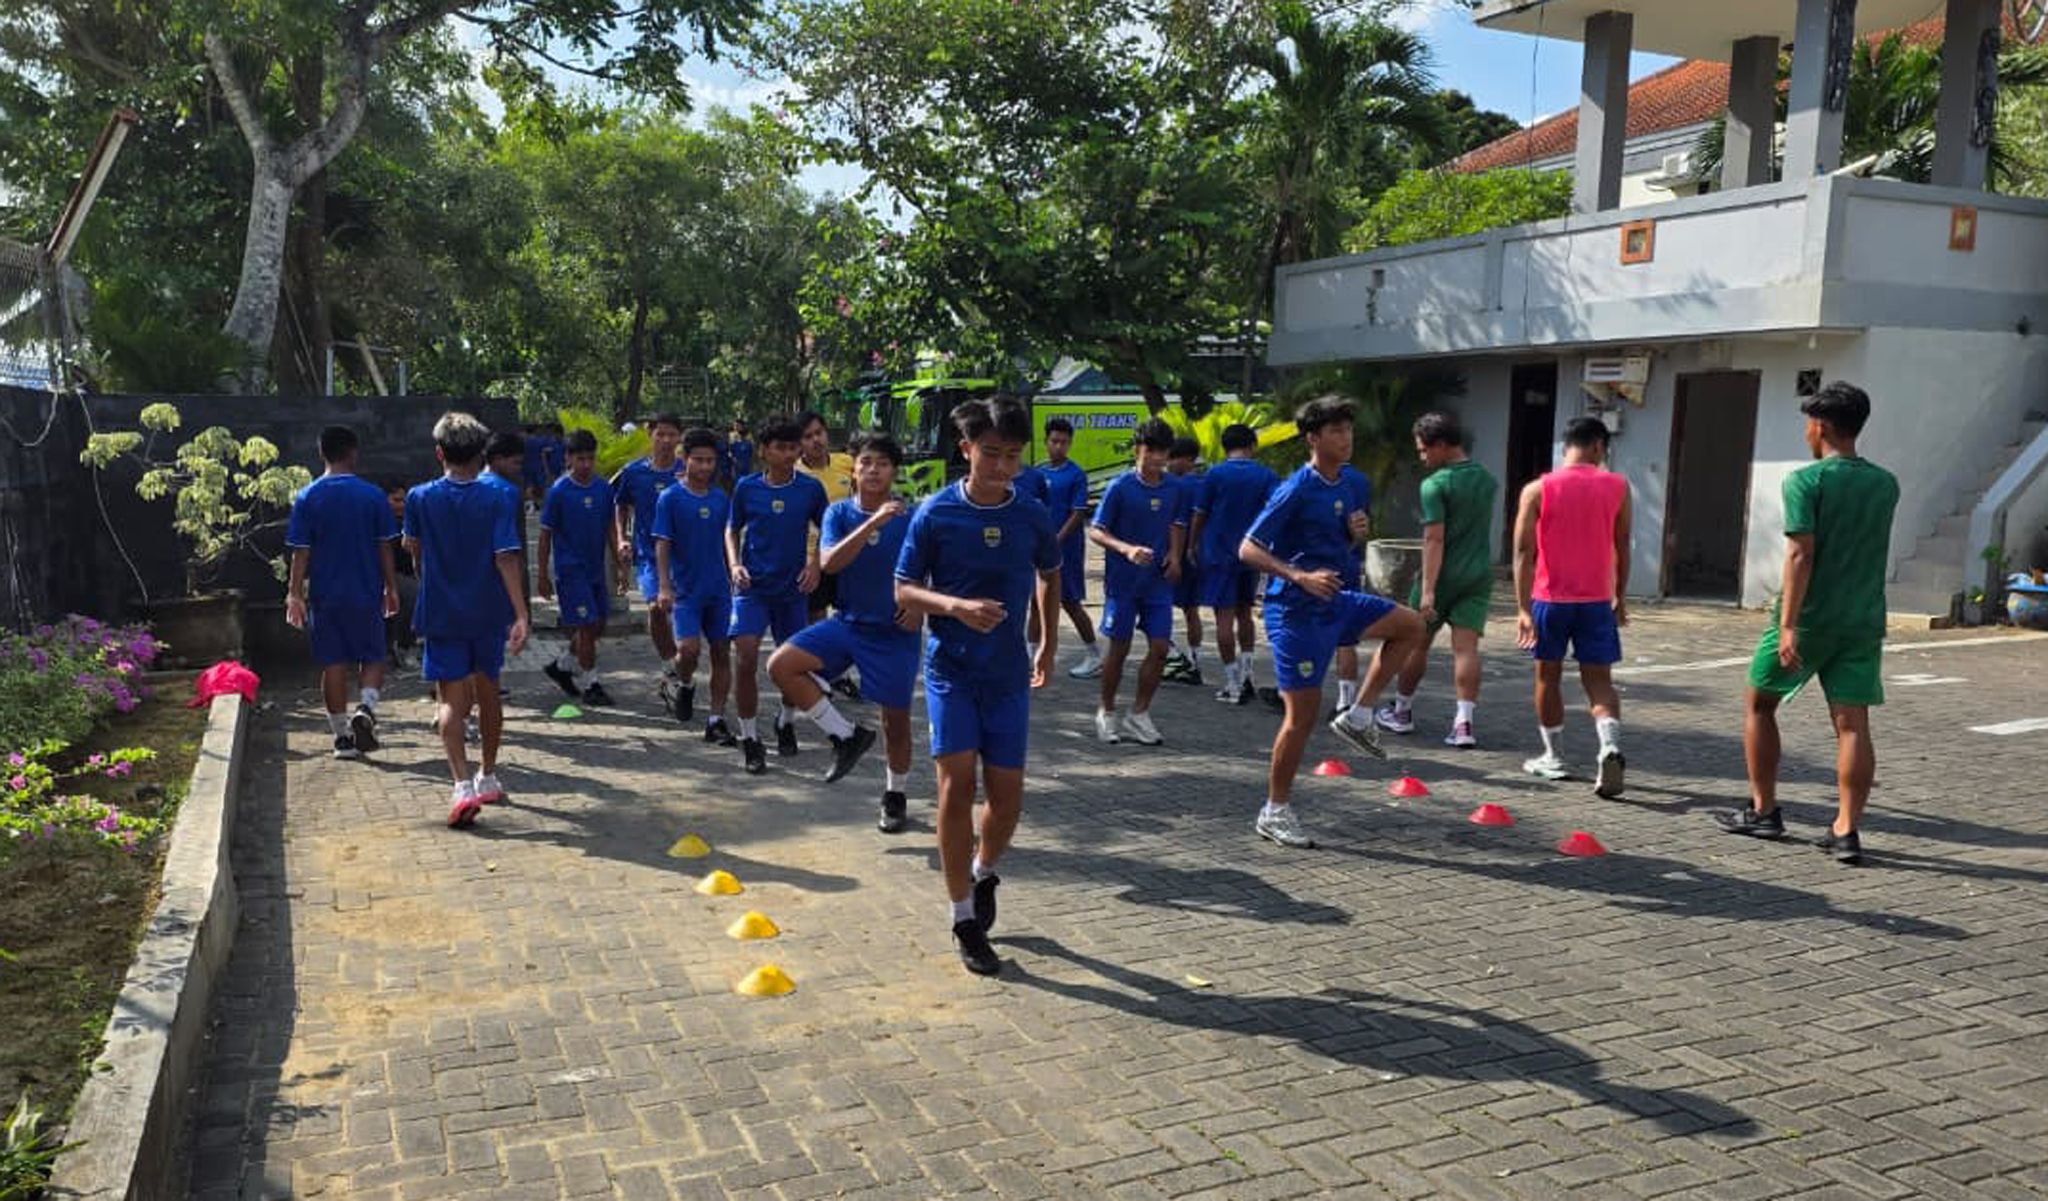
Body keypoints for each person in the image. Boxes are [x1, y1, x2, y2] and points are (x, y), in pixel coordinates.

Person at [894, 395, 1060, 976]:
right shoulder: (935, 513)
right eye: (990, 454)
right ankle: (963, 915)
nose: (1001, 467)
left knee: (1007, 800)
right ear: (965, 450)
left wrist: (1047, 639)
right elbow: (905, 589)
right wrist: (954, 606)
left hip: (1008, 675)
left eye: (1012, 456)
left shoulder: (1032, 514)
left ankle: (985, 871)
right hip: (951, 671)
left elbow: (1051, 573)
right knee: (955, 787)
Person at [1716, 383, 1898, 865]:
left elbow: (1800, 553)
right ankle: (1845, 829)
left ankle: (1764, 809)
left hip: (1811, 616)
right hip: (1862, 619)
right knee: (1852, 724)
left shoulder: (1806, 481)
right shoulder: (1885, 483)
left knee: (1759, 704)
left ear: (1819, 426)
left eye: (1808, 423)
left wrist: (1790, 624)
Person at [1237, 397, 1427, 849]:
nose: (1347, 439)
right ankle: (1274, 810)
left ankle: (1359, 715)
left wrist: (1352, 532)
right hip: (1295, 611)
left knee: (1412, 626)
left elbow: (1338, 534)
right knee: (1300, 718)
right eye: (1336, 431)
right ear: (1313, 439)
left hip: (1336, 599)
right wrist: (1297, 575)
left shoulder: (1353, 483)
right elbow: (1247, 549)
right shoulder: (1294, 489)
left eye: (1349, 430)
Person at [768, 430, 923, 826]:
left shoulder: (912, 518)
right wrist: (873, 521)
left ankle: (895, 794)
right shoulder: (838, 513)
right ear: (852, 470)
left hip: (894, 632)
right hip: (848, 625)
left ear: (894, 473)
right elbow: (831, 563)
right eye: (866, 463)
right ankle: (846, 735)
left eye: (883, 464)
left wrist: (922, 606)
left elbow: (937, 569)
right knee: (781, 665)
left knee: (896, 722)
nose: (873, 470)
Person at [403, 412, 530, 828]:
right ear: (480, 455)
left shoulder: (420, 498)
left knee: (449, 700)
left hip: (440, 608)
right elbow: (506, 557)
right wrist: (521, 613)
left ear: (439, 452)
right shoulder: (498, 497)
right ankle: (488, 774)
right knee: (489, 689)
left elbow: (413, 548)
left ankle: (460, 785)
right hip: (487, 608)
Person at [1512, 416, 1631, 798]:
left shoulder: (1537, 489)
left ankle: (1554, 756)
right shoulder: (1618, 486)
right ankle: (1609, 746)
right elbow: (1622, 544)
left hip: (1550, 599)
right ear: (1598, 446)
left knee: (1547, 677)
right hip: (1596, 601)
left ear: (1566, 447)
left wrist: (1522, 608)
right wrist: (1620, 596)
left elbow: (1521, 552)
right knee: (1599, 681)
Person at [1375, 412, 1498, 748]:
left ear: (1442, 445)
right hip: (1477, 574)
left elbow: (1434, 540)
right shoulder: (1486, 479)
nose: (1422, 456)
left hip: (1442, 574)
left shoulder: (1436, 484)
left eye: (1424, 450)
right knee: (1466, 649)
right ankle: (1464, 724)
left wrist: (1427, 590)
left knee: (1416, 642)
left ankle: (1401, 712)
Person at [284, 425, 401, 759]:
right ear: (353, 452)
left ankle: (342, 738)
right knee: (374, 655)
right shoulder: (372, 496)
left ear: (321, 453)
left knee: (333, 663)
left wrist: (294, 593)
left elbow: (300, 552)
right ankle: (366, 706)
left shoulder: (307, 497)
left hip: (325, 594)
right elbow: (385, 548)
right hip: (366, 591)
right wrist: (390, 587)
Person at [727, 419, 828, 774]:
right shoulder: (746, 487)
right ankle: (750, 737)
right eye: (780, 448)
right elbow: (731, 528)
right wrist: (735, 564)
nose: (788, 455)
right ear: (764, 451)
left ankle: (785, 721)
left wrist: (815, 564)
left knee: (791, 666)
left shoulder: (810, 489)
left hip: (792, 591)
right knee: (746, 656)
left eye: (792, 448)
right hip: (752, 589)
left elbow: (827, 528)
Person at [1087, 419, 1184, 746]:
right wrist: (1126, 549)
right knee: (1119, 648)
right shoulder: (1120, 487)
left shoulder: (1173, 488)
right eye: (1150, 452)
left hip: (1157, 583)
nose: (1157, 459)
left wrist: (1175, 554)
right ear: (1137, 451)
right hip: (1124, 582)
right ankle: (1107, 710)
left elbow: (1175, 522)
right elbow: (1096, 530)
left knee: (1160, 648)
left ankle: (1139, 714)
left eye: (1162, 453)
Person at [653, 428, 739, 746]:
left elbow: (730, 539)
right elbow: (662, 542)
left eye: (710, 461)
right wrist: (664, 585)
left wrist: (735, 573)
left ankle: (716, 719)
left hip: (719, 590)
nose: (705, 467)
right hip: (685, 590)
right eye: (698, 460)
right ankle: (684, 682)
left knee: (721, 652)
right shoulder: (670, 498)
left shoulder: (720, 499)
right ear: (685, 459)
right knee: (688, 650)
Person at [1187, 423, 1278, 705]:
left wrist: (1192, 544)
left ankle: (1232, 682)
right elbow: (1277, 511)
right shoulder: (1266, 475)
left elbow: (1200, 513)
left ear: (1225, 446)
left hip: (1218, 554)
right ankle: (1248, 673)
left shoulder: (1214, 474)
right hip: (1251, 553)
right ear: (1252, 445)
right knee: (1245, 614)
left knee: (1223, 618)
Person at [536, 429, 617, 707]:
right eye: (580, 458)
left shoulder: (604, 489)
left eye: (590, 459)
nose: (586, 465)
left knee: (597, 625)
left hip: (595, 568)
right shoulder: (559, 491)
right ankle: (591, 683)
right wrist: (543, 574)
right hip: (570, 570)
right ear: (568, 458)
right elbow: (545, 533)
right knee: (584, 625)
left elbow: (610, 527)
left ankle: (562, 665)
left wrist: (618, 563)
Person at [613, 414, 690, 704]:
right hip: (647, 555)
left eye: (672, 435)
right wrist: (621, 537)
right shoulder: (633, 472)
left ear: (680, 438)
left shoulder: (688, 470)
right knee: (656, 608)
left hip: (684, 557)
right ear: (651, 435)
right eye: (661, 434)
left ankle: (682, 666)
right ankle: (670, 663)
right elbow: (620, 506)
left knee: (682, 615)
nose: (666, 441)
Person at [1040, 419, 1105, 678]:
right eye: (1054, 441)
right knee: (1036, 602)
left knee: (1070, 602)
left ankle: (1093, 654)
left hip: (1066, 549)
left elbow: (1078, 513)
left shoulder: (1076, 474)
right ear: (1046, 442)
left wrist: (1057, 539)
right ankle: (1034, 652)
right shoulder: (1038, 473)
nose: (1059, 446)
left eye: (1064, 442)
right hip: (1038, 548)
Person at [795, 410, 857, 627]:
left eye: (819, 433)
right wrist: (811, 560)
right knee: (816, 618)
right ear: (799, 443)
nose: (815, 440)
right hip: (812, 559)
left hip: (847, 550)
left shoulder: (848, 463)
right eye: (807, 436)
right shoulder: (794, 473)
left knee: (852, 614)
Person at [1161, 436, 1206, 686]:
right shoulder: (1205, 484)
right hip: (1196, 555)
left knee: (1157, 607)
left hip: (1174, 554)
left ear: (1187, 460)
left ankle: (1174, 656)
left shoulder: (1177, 486)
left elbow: (1173, 522)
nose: (1169, 464)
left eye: (1173, 458)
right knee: (1192, 611)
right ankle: (1194, 659)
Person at [725, 420, 754, 488]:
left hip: (746, 465)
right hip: (736, 466)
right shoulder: (731, 436)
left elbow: (752, 452)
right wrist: (733, 459)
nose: (736, 427)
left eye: (737, 425)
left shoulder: (749, 437)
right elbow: (729, 451)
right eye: (735, 426)